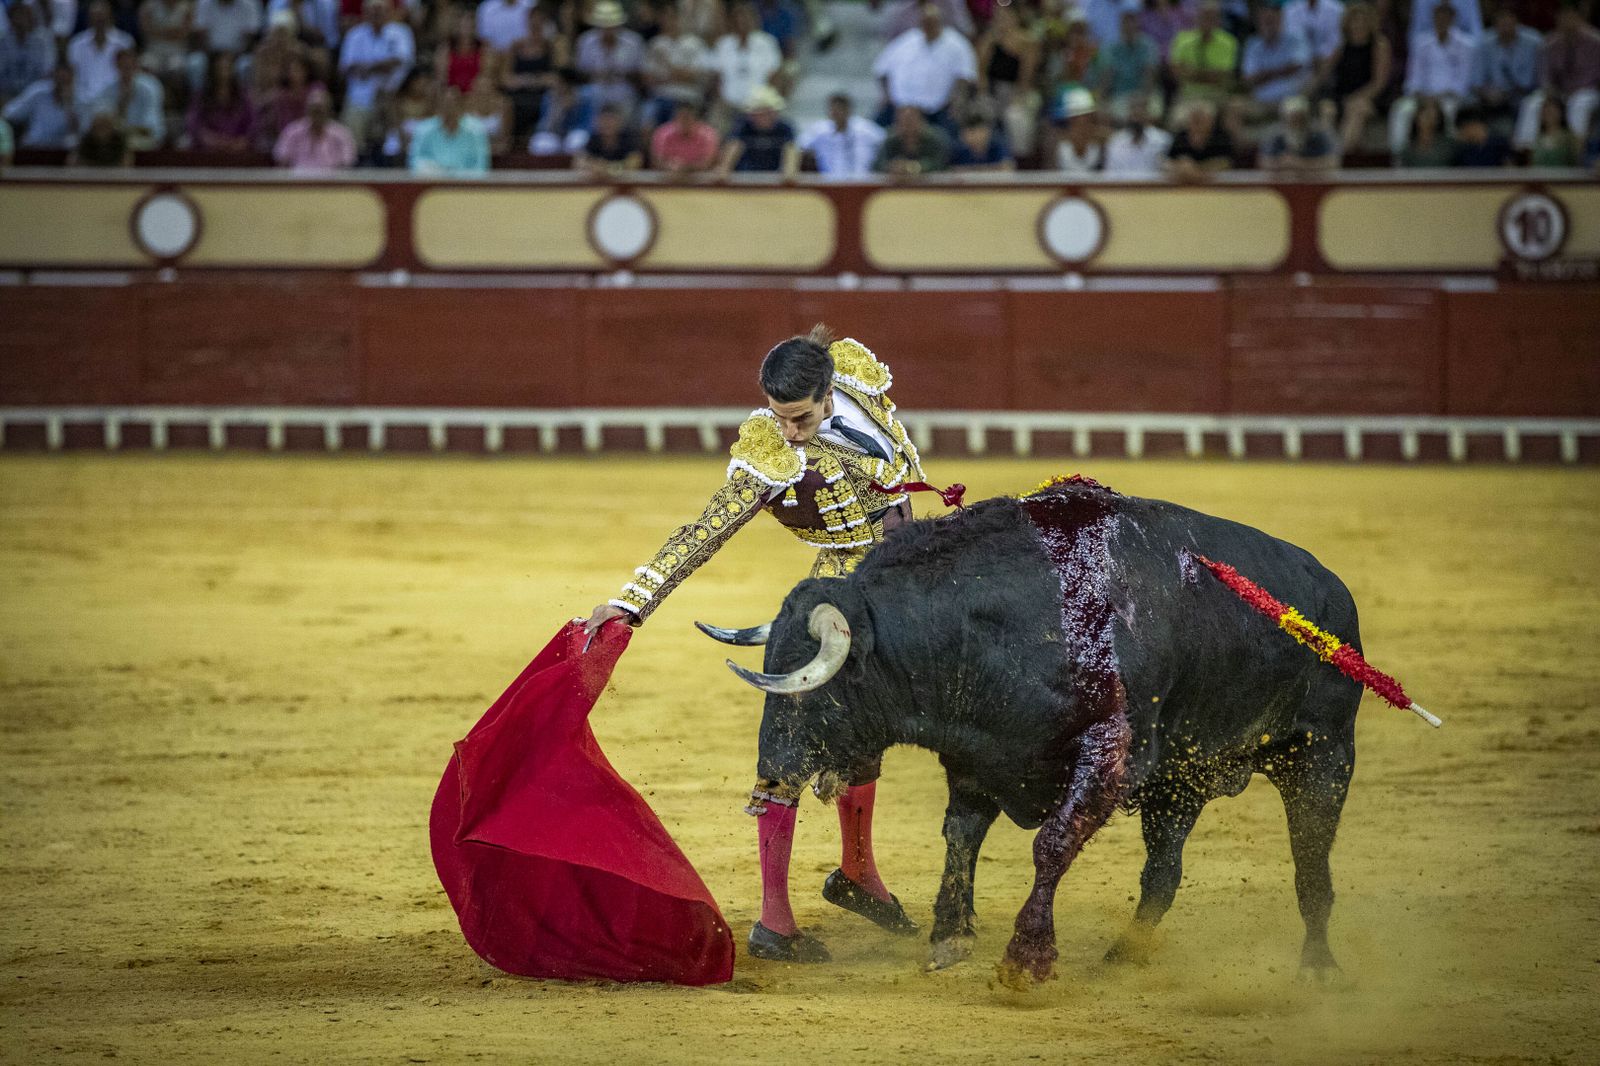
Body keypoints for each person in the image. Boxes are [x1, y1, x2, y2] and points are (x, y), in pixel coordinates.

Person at [584, 326, 953, 963]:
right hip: (830, 611)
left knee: (867, 741)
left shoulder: (858, 376)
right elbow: (706, 529)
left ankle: (858, 874)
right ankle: (774, 922)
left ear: (830, 390)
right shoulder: (768, 454)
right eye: (780, 418)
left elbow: (903, 487)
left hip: (906, 596)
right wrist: (630, 602)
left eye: (802, 417)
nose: (790, 432)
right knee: (789, 751)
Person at [872, 1, 977, 130]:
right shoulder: (907, 40)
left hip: (938, 110)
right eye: (925, 22)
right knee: (875, 126)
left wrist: (957, 102)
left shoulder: (957, 45)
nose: (928, 26)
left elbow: (965, 76)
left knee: (951, 129)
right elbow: (882, 69)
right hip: (902, 108)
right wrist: (886, 96)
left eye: (932, 22)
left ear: (940, 22)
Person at [1388, 1, 1474, 156]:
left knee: (1449, 111)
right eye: (1438, 17)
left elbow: (1463, 81)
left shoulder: (1466, 45)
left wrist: (1439, 98)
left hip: (1451, 98)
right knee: (1401, 110)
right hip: (1422, 96)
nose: (1441, 21)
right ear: (1433, 19)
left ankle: (1448, 157)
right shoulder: (1421, 43)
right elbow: (1413, 78)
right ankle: (1398, 156)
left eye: (1445, 18)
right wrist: (1423, 96)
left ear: (1452, 19)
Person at [1512, 0, 1600, 150]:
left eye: (1571, 17)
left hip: (1588, 92)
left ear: (1580, 18)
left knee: (1578, 103)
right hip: (1559, 92)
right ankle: (1525, 151)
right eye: (1563, 17)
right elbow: (1544, 76)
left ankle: (1574, 149)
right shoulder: (1550, 43)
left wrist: (1574, 90)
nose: (1567, 21)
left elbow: (1595, 75)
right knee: (1532, 103)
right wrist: (1551, 91)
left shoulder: (1595, 42)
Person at [338, 0, 414, 149]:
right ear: (365, 13)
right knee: (352, 119)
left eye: (380, 9)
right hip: (360, 98)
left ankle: (393, 160)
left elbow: (401, 60)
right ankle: (356, 161)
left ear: (389, 11)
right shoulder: (355, 35)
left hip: (393, 94)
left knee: (399, 118)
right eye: (372, 9)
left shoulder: (401, 32)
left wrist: (367, 67)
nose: (376, 13)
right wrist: (382, 66)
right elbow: (346, 67)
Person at [1317, 0, 1391, 152]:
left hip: (1370, 96)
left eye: (1363, 21)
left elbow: (1379, 82)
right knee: (1327, 109)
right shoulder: (1341, 46)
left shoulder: (1380, 45)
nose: (1358, 25)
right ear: (1347, 24)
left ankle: (1342, 155)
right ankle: (1326, 152)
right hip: (1342, 95)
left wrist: (1357, 97)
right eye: (1354, 21)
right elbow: (1323, 73)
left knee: (1356, 109)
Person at [976, 1, 1042, 156]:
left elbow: (1026, 78)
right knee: (981, 112)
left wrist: (1017, 98)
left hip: (1017, 92)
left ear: (1016, 17)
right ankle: (986, 158)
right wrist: (983, 94)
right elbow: (981, 72)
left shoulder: (1028, 42)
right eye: (999, 15)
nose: (1002, 19)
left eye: (1005, 15)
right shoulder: (989, 40)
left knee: (1015, 116)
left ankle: (1018, 158)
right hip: (993, 91)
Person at [704, 1, 784, 118]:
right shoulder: (724, 44)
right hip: (728, 104)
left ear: (753, 20)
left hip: (759, 106)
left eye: (745, 19)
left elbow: (775, 75)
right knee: (714, 122)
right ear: (731, 22)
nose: (741, 23)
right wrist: (721, 99)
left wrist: (767, 102)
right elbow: (716, 77)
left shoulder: (766, 42)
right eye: (737, 19)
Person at [641, 1, 708, 128]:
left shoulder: (694, 43)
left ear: (680, 18)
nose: (669, 21)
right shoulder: (655, 44)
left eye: (673, 17)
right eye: (665, 17)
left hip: (686, 98)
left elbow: (696, 77)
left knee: (679, 117)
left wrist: (667, 65)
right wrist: (679, 75)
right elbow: (647, 80)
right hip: (660, 97)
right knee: (646, 123)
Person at [1471, 5, 1540, 126]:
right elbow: (1476, 81)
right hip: (1492, 99)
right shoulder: (1484, 44)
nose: (1505, 27)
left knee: (1530, 103)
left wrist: (1507, 93)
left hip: (1523, 95)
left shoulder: (1533, 42)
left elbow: (1531, 81)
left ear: (1517, 23)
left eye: (1508, 23)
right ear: (1495, 25)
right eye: (1501, 23)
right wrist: (1487, 92)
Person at [574, 0, 645, 116]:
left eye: (611, 26)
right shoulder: (585, 41)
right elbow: (580, 74)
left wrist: (621, 74)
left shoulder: (634, 42)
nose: (607, 30)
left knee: (627, 98)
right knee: (585, 95)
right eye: (603, 26)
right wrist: (597, 74)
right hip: (595, 89)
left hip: (623, 89)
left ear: (618, 25)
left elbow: (640, 75)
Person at [89, 47, 164, 150]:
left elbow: (150, 122)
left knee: (128, 143)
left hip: (145, 135)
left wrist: (127, 131)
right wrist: (122, 105)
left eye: (129, 66)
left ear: (136, 66)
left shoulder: (150, 87)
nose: (126, 70)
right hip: (119, 137)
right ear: (116, 66)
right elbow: (104, 119)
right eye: (123, 66)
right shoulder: (108, 91)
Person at [797, 92, 886, 178]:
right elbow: (798, 146)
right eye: (833, 110)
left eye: (840, 109)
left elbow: (886, 142)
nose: (837, 113)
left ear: (849, 110)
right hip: (829, 184)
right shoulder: (819, 131)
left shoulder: (866, 130)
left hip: (863, 183)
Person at [1093, 10, 1159, 122]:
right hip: (1119, 95)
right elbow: (1107, 77)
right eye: (1126, 23)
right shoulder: (1111, 48)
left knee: (1153, 112)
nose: (1129, 27)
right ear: (1121, 26)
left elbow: (1150, 76)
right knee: (1115, 114)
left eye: (1132, 23)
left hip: (1143, 94)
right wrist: (1101, 101)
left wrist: (1143, 99)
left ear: (1137, 25)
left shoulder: (1148, 45)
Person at [1168, 0, 1237, 106]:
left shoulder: (1229, 42)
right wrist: (1208, 74)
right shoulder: (1181, 39)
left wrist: (1190, 72)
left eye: (1212, 17)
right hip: (1186, 96)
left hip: (1216, 96)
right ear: (1196, 18)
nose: (1208, 21)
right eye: (1204, 16)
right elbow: (1175, 73)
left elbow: (1222, 77)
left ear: (1218, 20)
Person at [66, 0, 133, 108]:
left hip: (113, 101)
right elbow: (71, 75)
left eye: (102, 16)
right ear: (89, 18)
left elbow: (128, 75)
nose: (99, 20)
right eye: (95, 16)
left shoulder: (124, 42)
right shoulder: (76, 44)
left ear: (110, 16)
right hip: (83, 101)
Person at [272, 82, 355, 168]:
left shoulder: (342, 134)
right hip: (297, 180)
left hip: (331, 180)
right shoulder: (292, 131)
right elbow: (281, 159)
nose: (317, 115)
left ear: (329, 111)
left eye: (320, 111)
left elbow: (347, 164)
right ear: (306, 110)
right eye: (314, 110)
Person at [409, 84, 489, 173]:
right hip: (433, 183)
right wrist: (439, 173)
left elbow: (481, 167)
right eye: (446, 103)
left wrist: (454, 174)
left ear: (462, 105)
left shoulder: (477, 130)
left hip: (465, 185)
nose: (450, 108)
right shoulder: (423, 129)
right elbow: (414, 164)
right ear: (439, 105)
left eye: (454, 103)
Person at [718, 83, 796, 174]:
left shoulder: (785, 129)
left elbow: (791, 152)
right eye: (755, 113)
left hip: (775, 179)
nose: (759, 116)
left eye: (764, 112)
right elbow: (733, 147)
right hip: (744, 177)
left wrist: (789, 173)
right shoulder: (742, 126)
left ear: (774, 113)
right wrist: (724, 170)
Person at [186, 49, 255, 149]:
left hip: (238, 152)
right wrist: (209, 139)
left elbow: (253, 124)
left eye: (227, 63)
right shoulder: (202, 96)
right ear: (213, 68)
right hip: (207, 152)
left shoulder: (243, 96)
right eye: (220, 64)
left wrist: (242, 141)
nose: (224, 66)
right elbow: (193, 123)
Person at [2, 64, 79, 148]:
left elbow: (79, 133)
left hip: (61, 151)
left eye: (65, 81)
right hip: (33, 147)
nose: (62, 84)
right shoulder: (39, 93)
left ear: (72, 79)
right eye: (60, 79)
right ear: (54, 76)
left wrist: (68, 104)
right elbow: (9, 113)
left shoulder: (80, 99)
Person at [1258, 93, 1337, 169]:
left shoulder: (1319, 135)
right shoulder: (1275, 136)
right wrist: (1281, 163)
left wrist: (1300, 163)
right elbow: (1263, 162)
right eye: (1292, 118)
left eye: (1300, 118)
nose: (1296, 122)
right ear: (1284, 118)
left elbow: (1332, 162)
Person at [1, 2, 57, 106]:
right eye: (17, 16)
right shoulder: (2, 42)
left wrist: (28, 97)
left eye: (24, 16)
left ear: (31, 18)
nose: (20, 21)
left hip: (32, 97)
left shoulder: (42, 42)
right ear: (10, 19)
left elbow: (47, 72)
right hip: (5, 95)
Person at [1103, 90, 1172, 173]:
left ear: (1148, 113)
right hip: (1122, 184)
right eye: (1133, 109)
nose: (1137, 114)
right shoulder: (1116, 141)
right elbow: (1110, 173)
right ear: (1128, 113)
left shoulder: (1163, 140)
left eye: (1141, 109)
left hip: (1153, 185)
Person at [1165, 96, 1233, 178]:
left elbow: (1226, 162)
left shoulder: (1221, 136)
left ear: (1211, 121)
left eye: (1201, 120)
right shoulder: (1181, 136)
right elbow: (1167, 162)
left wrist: (1196, 169)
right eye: (1194, 119)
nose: (1197, 124)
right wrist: (1179, 166)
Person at [874, 102, 951, 174]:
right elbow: (878, 165)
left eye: (910, 121)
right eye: (902, 121)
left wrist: (911, 167)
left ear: (921, 122)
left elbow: (940, 164)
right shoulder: (890, 140)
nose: (906, 126)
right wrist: (892, 167)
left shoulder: (935, 138)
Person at [648, 95, 719, 172]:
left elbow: (708, 163)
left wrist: (685, 167)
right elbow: (656, 161)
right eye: (680, 117)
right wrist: (669, 165)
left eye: (687, 118)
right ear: (675, 117)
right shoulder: (663, 133)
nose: (683, 122)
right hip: (668, 176)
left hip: (699, 178)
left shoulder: (708, 135)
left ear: (696, 119)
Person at [574, 99, 641, 174]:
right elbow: (579, 162)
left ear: (620, 122)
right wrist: (591, 166)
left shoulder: (628, 138)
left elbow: (635, 163)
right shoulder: (594, 138)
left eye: (611, 120)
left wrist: (607, 167)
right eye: (604, 120)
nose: (607, 124)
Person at [1052, 84, 1103, 172]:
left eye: (1089, 116)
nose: (1086, 120)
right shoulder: (1058, 144)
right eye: (1082, 116)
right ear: (1071, 119)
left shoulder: (1099, 141)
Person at [1395, 92, 1453, 163]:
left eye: (1432, 112)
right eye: (1424, 112)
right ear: (1416, 117)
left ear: (1439, 118)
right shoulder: (1407, 149)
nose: (1428, 117)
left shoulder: (1449, 148)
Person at [1528, 93, 1579, 163]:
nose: (1548, 113)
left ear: (1561, 113)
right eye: (1545, 110)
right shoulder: (1537, 139)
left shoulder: (1569, 138)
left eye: (1552, 110)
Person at [949, 113, 1014, 168]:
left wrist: (971, 169)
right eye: (971, 133)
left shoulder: (998, 146)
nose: (976, 137)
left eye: (980, 131)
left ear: (988, 132)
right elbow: (952, 170)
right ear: (962, 135)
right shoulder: (959, 151)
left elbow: (1008, 167)